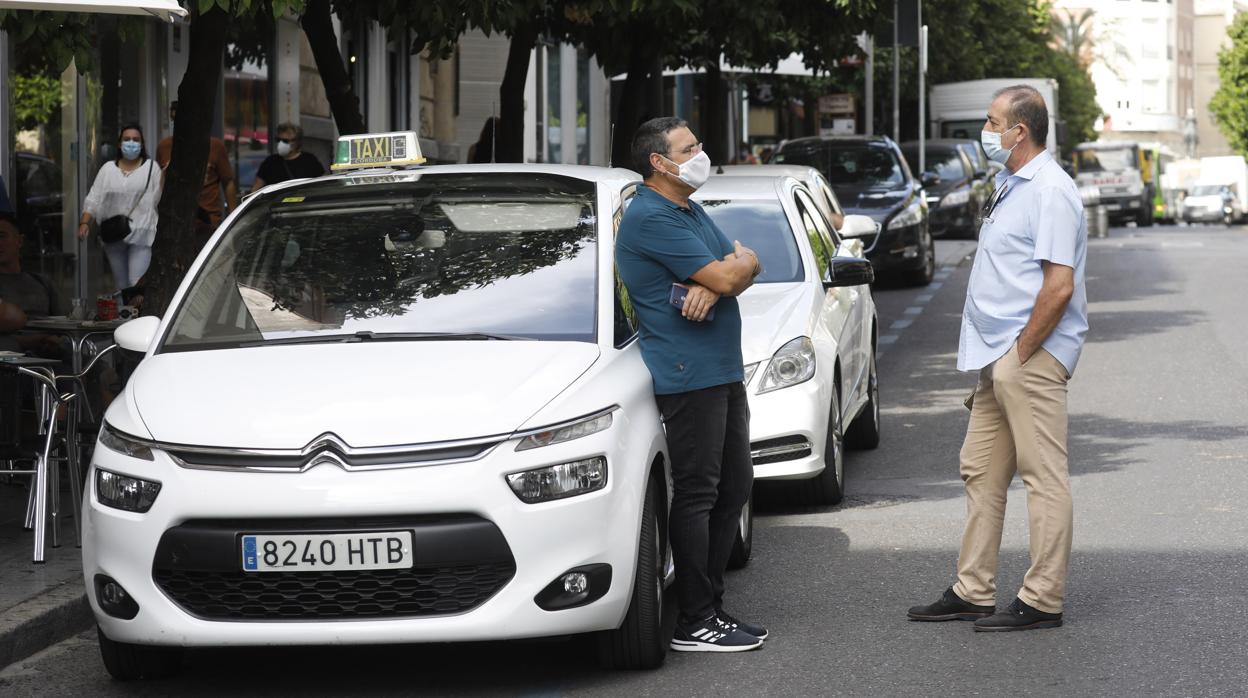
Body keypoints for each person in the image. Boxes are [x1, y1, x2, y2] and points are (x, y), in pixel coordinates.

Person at [908, 84, 1087, 632]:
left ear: (1020, 131)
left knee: (1042, 477)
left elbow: (1058, 286)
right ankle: (973, 589)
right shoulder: (1013, 183)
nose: (984, 133)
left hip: (1026, 355)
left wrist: (1020, 353)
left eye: (991, 123)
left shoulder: (1050, 191)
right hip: (1000, 356)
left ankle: (1042, 599)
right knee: (980, 470)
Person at [615, 117, 766, 653]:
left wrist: (730, 272)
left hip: (721, 367)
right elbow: (729, 273)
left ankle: (712, 607)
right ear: (660, 162)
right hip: (687, 373)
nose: (701, 152)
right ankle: (695, 619)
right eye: (689, 147)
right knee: (699, 491)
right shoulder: (651, 217)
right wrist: (726, 275)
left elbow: (745, 262)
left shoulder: (689, 210)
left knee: (735, 485)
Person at [78, 123, 161, 291]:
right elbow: (94, 198)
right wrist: (85, 223)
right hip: (113, 234)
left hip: (141, 234)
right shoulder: (107, 170)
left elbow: (159, 198)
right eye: (127, 139)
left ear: (142, 144)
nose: (131, 143)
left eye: (136, 140)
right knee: (121, 285)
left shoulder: (151, 168)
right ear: (119, 143)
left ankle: (138, 315)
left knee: (135, 282)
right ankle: (126, 316)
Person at [155, 101, 238, 235]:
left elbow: (228, 181)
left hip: (208, 221)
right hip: (174, 223)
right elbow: (159, 186)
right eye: (176, 120)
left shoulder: (215, 146)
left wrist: (234, 217)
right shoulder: (164, 147)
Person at [252, 123, 325, 191]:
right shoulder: (270, 162)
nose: (280, 143)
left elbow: (323, 184)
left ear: (296, 142)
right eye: (278, 140)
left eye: (285, 141)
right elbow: (256, 187)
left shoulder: (309, 161)